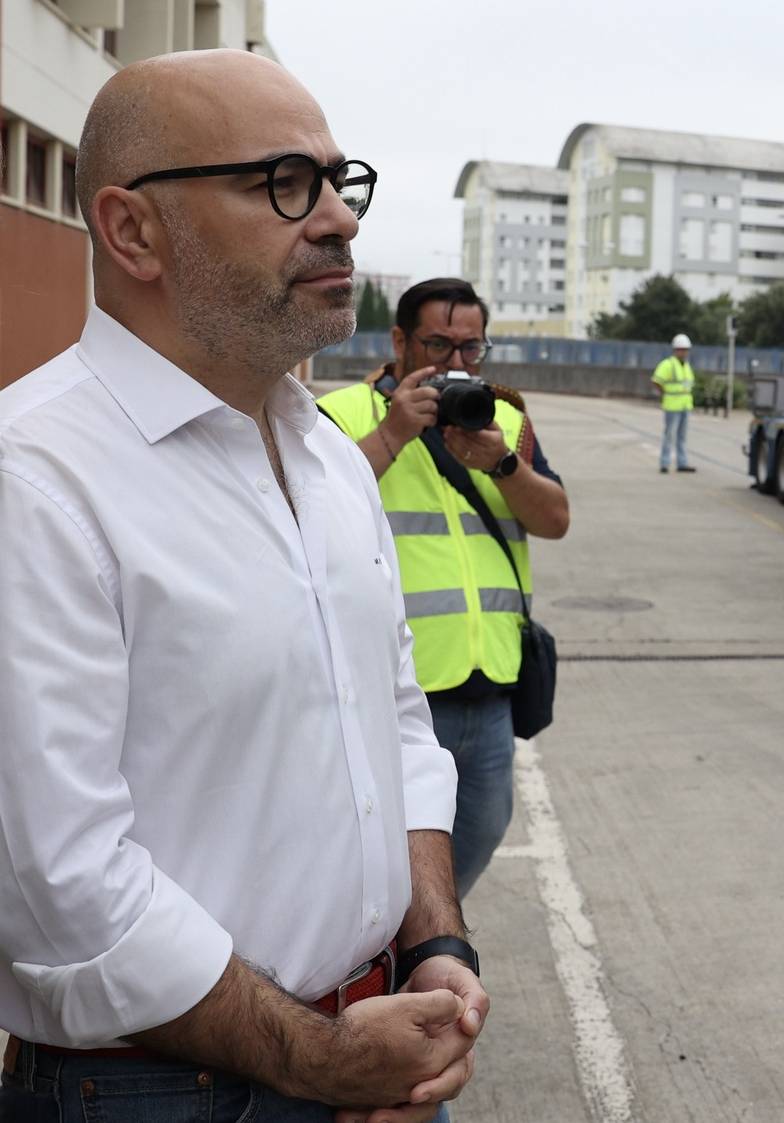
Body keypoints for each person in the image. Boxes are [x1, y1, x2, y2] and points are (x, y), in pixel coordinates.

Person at [0, 50, 485, 1120]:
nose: (339, 221)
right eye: (281, 183)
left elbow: (394, 724)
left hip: (376, 1048)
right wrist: (317, 1058)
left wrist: (434, 943)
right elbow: (60, 887)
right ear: (133, 232)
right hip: (159, 1092)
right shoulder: (33, 478)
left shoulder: (323, 456)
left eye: (338, 180)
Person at [319, 279, 570, 898]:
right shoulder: (342, 415)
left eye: (471, 348)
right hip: (394, 689)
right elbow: (307, 513)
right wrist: (392, 436)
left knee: (482, 830)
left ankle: (423, 939)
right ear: (399, 340)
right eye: (438, 345)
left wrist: (504, 465)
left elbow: (555, 520)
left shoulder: (504, 417)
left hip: (488, 682)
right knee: (380, 843)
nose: (456, 364)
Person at [652, 333, 698, 473]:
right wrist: (664, 393)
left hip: (685, 405)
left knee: (682, 437)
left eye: (685, 349)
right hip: (672, 406)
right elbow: (656, 381)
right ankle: (665, 463)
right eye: (681, 349)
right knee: (669, 435)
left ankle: (682, 463)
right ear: (675, 350)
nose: (683, 352)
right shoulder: (667, 364)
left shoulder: (686, 366)